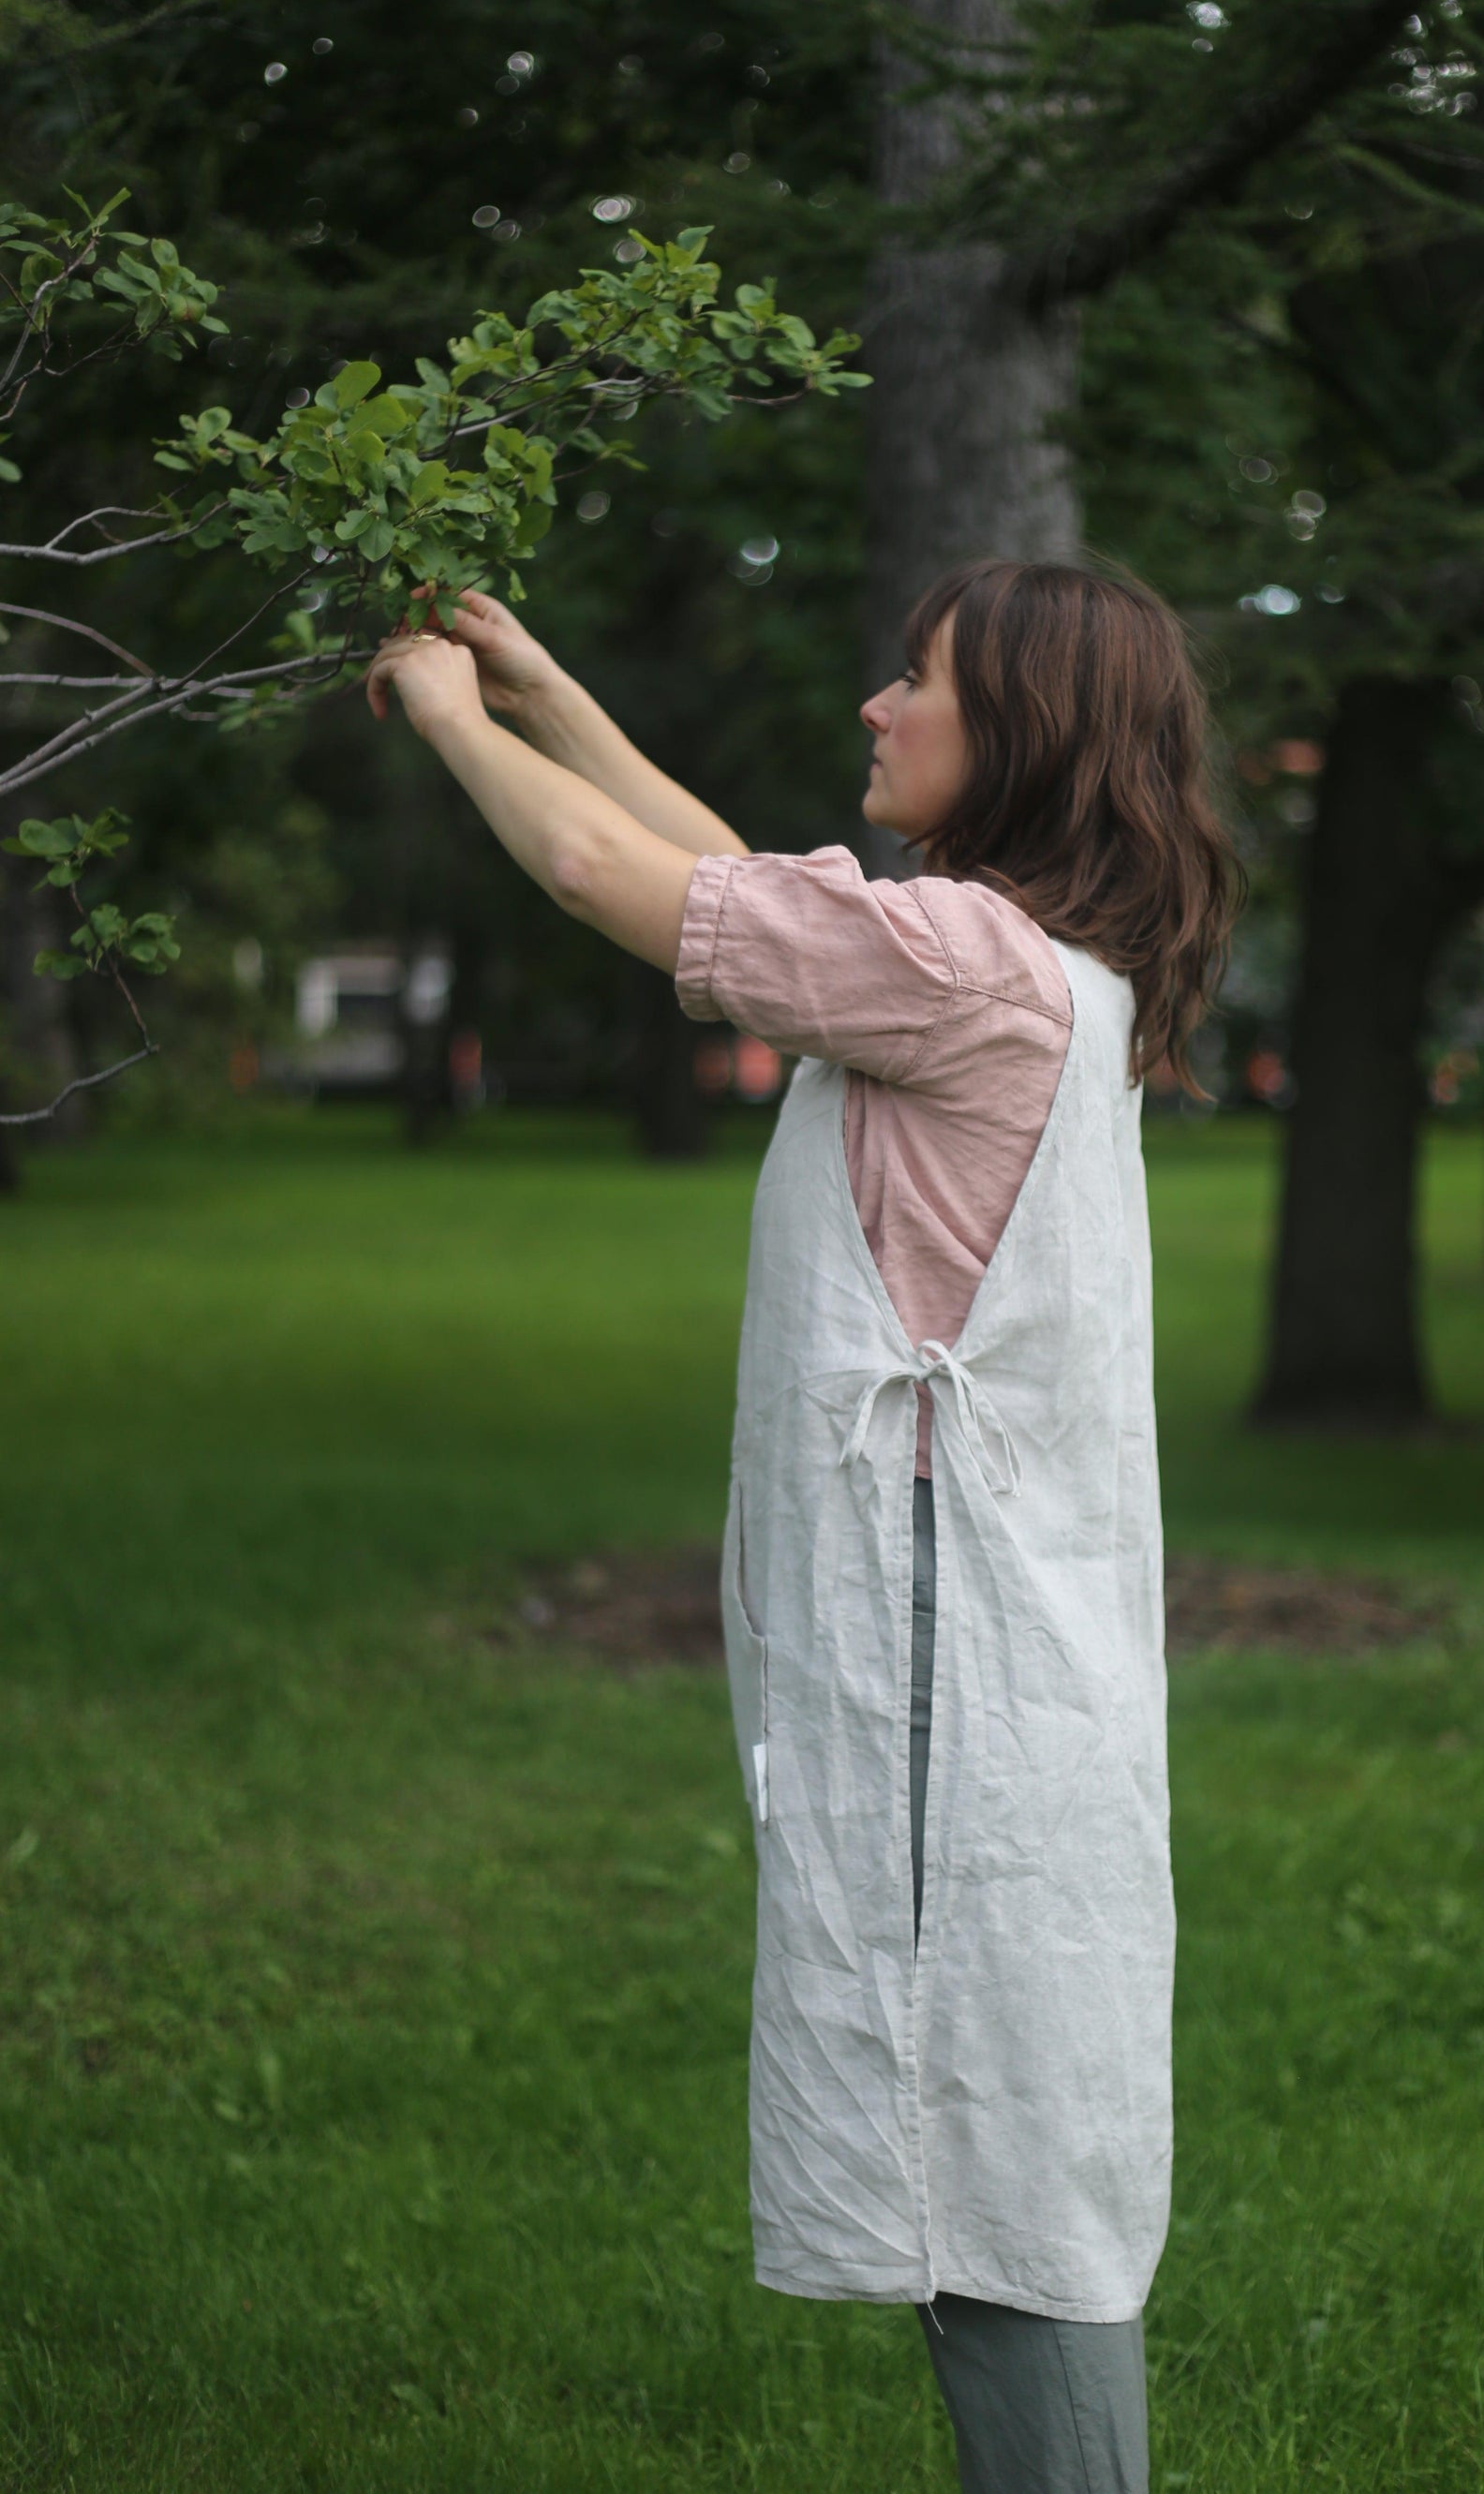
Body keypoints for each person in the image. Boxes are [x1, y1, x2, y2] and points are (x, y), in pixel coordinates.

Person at [365, 557, 1240, 2494]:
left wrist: (437, 714)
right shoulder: (999, 959)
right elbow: (729, 882)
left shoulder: (959, 965)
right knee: (986, 2110)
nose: (873, 705)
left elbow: (621, 888)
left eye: (908, 680)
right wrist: (539, 683)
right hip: (984, 1626)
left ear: (1011, 732)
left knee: (991, 2137)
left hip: (956, 1637)